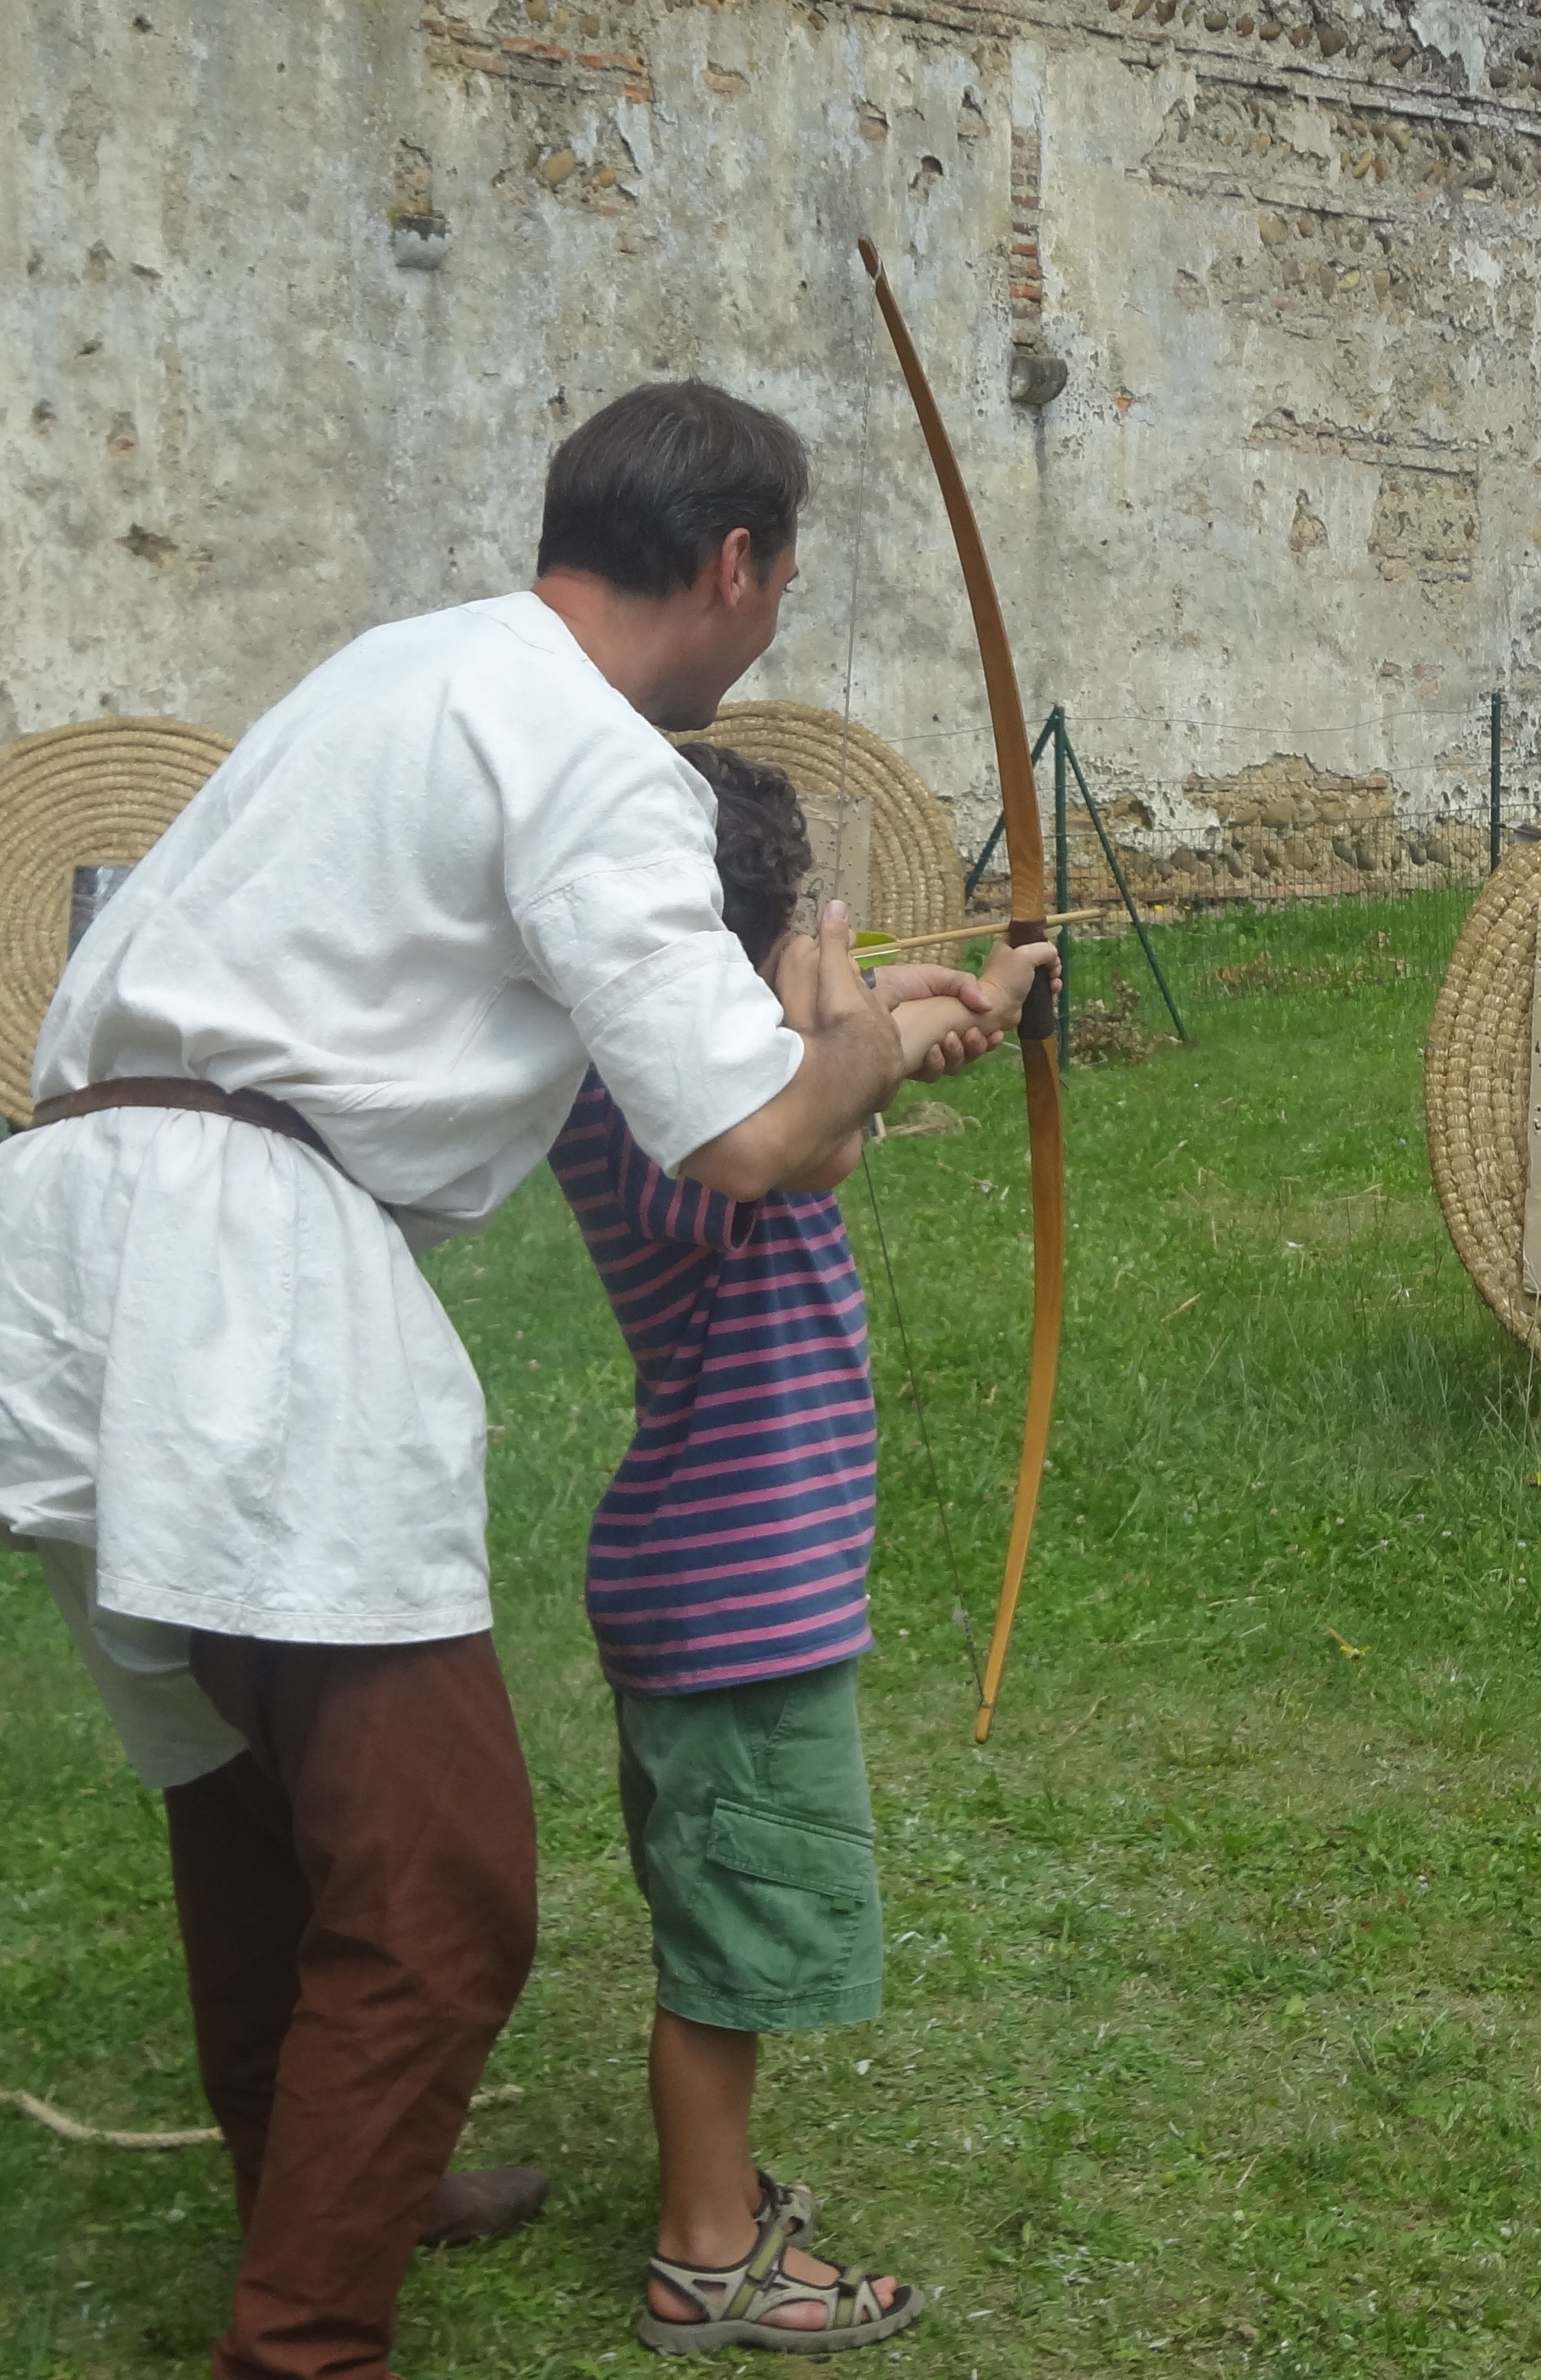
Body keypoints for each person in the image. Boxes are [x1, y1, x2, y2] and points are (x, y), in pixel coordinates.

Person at [0, 382, 1033, 2380]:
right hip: (239, 1284)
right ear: (737, 566)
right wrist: (906, 1035)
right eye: (789, 577)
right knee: (442, 1897)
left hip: (73, 1237)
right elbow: (754, 1136)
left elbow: (691, 1055)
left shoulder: (410, 666)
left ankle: (346, 2188)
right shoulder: (597, 750)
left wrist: (872, 1021)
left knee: (253, 1812)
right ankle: (304, 2344)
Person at [549, 746, 1051, 2356]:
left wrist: (932, 999)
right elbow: (820, 1118)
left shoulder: (678, 1074)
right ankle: (706, 2254)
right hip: (728, 1606)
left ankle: (720, 2205)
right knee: (732, 1943)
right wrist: (896, 1009)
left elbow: (837, 1077)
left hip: (732, 1593)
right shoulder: (676, 1110)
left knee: (733, 1924)